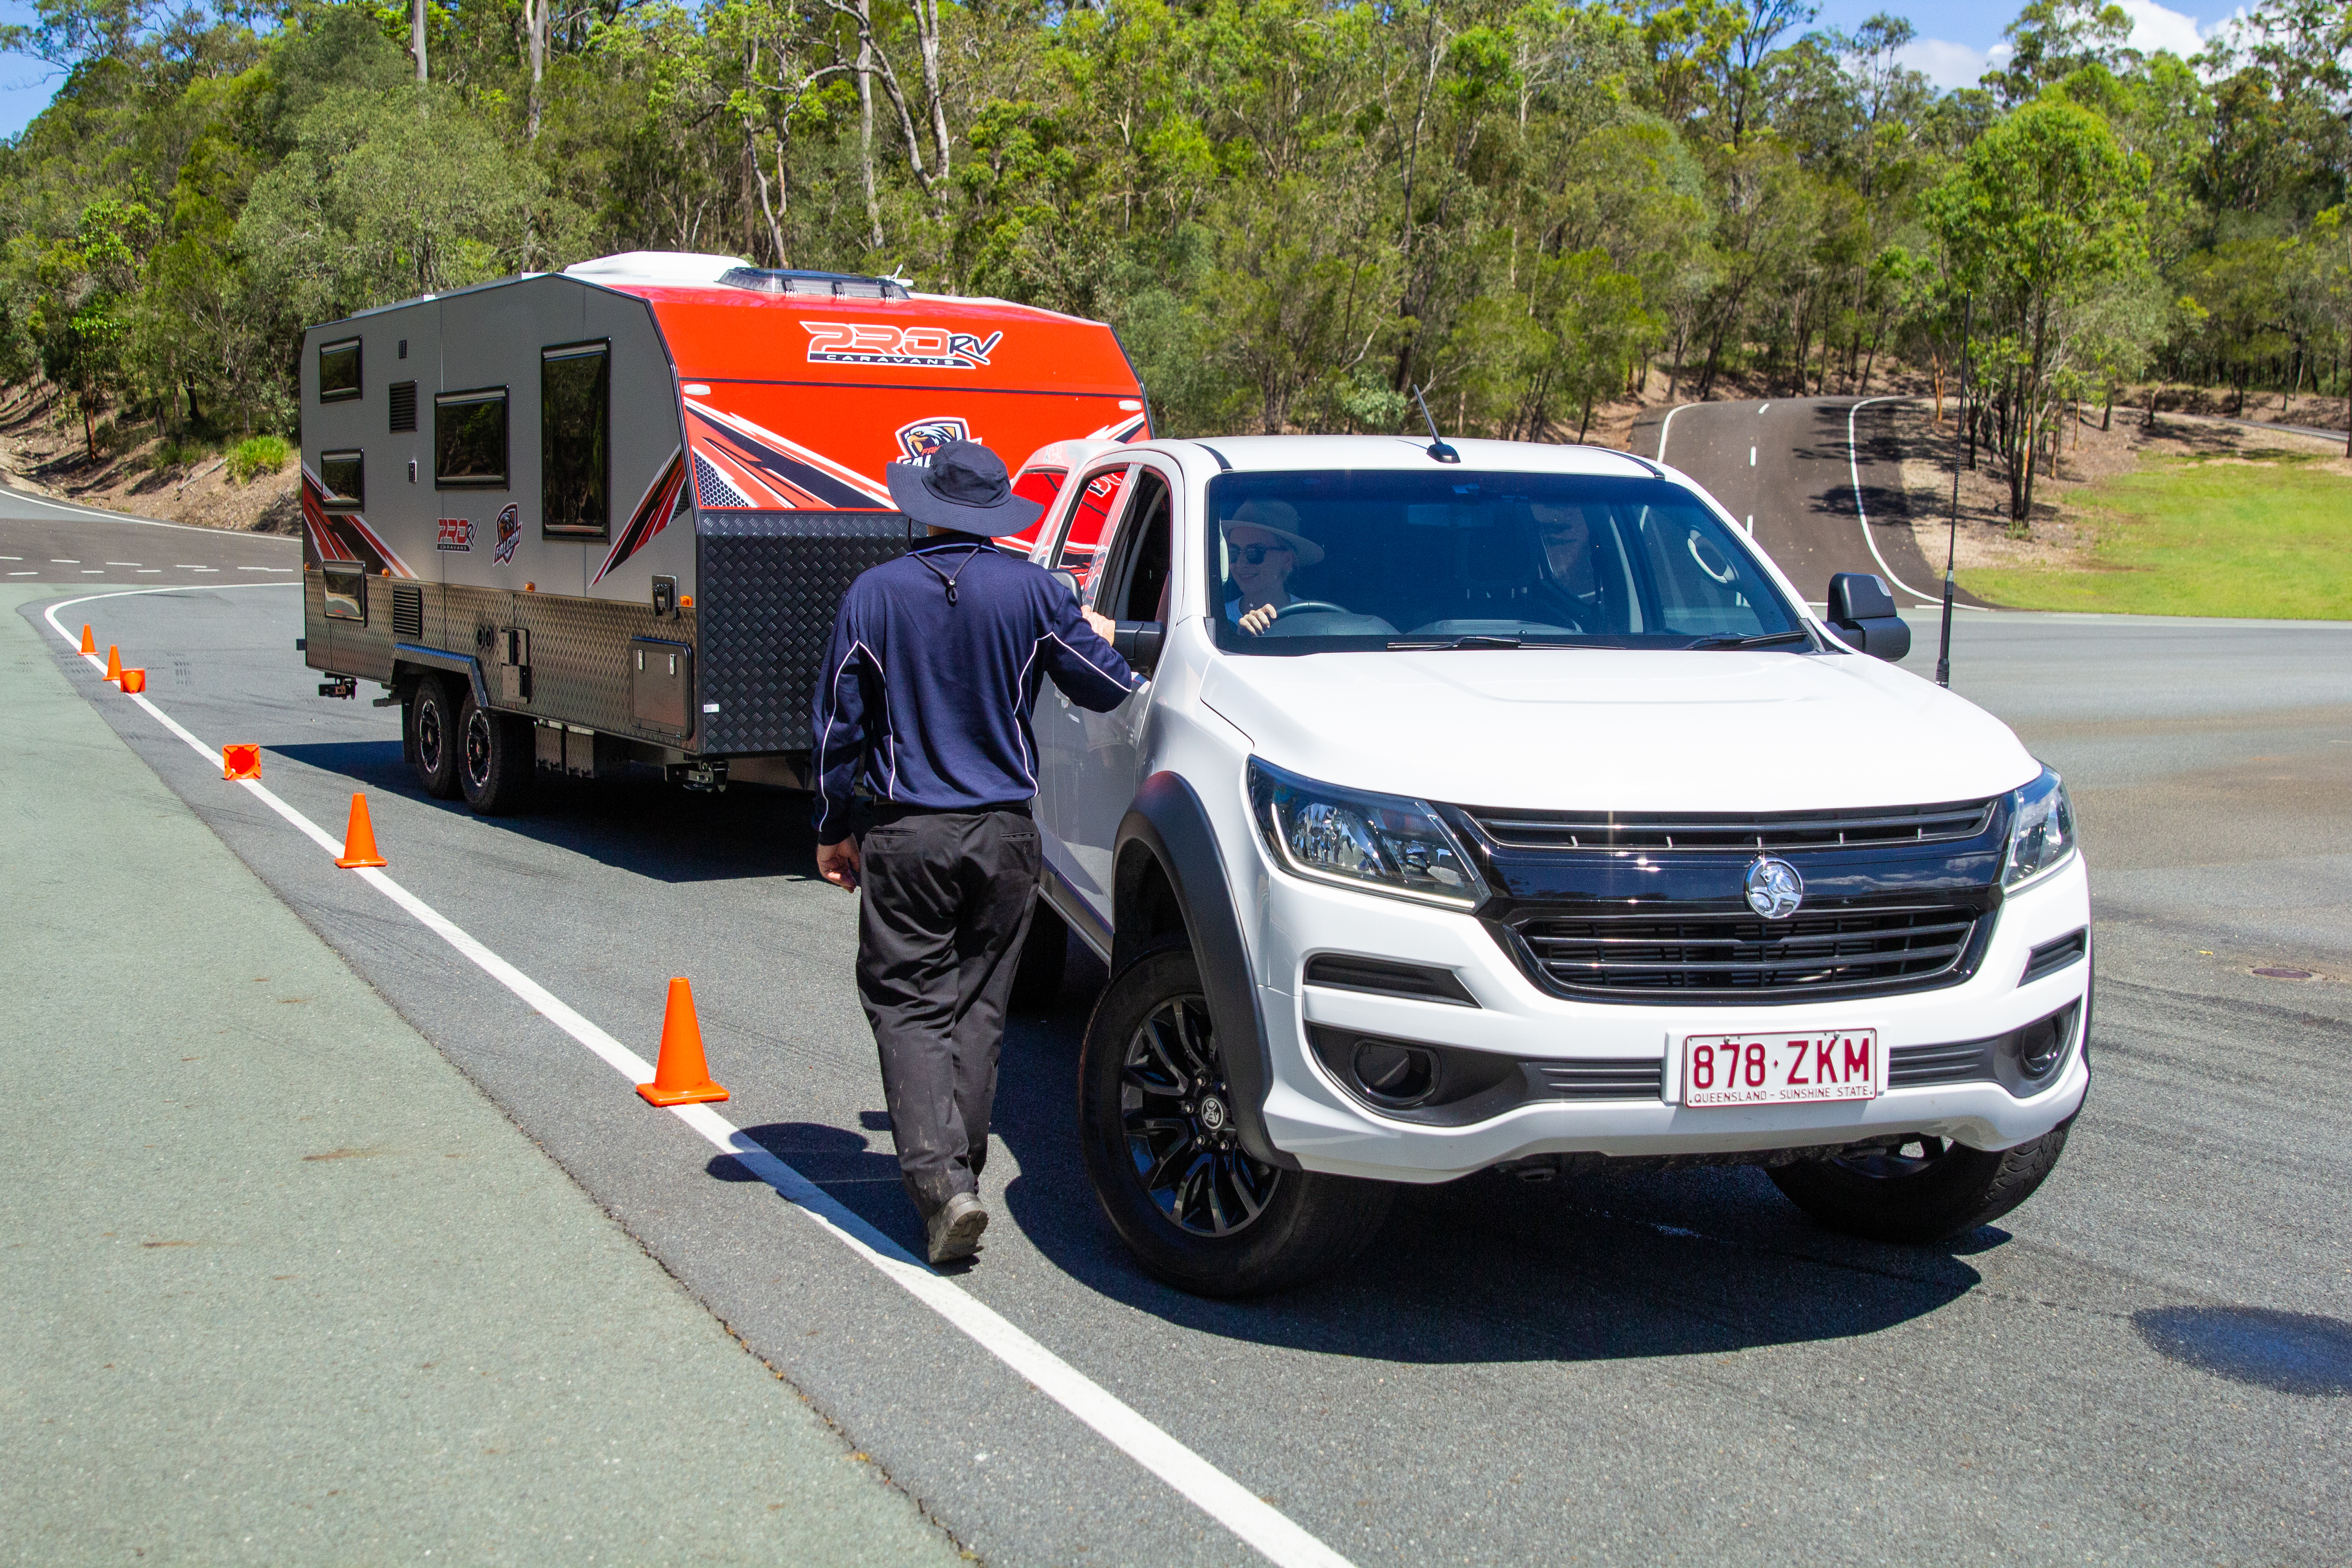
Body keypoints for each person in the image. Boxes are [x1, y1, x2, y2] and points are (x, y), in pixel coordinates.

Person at [811, 441, 1140, 1265]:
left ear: (923, 508)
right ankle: (958, 1171)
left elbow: (836, 730)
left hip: (906, 831)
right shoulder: (1037, 593)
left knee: (907, 1004)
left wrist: (830, 824)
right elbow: (1109, 687)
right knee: (977, 1008)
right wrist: (1095, 629)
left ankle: (940, 1185)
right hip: (1003, 835)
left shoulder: (873, 595)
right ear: (996, 516)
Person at [1221, 498, 1325, 636]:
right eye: (1233, 552)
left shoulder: (1312, 621)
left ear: (1287, 560)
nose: (1241, 563)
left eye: (1254, 552)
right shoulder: (1218, 619)